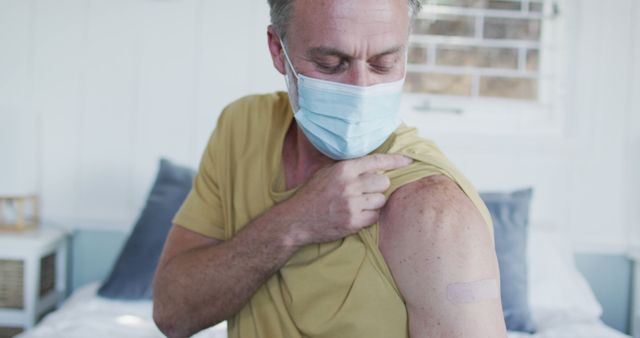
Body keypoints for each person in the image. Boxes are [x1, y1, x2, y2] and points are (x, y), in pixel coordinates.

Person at [152, 0, 507, 337]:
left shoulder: (435, 212)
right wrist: (293, 223)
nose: (361, 90)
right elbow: (172, 314)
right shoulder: (242, 126)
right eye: (330, 63)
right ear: (278, 50)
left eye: (384, 62)